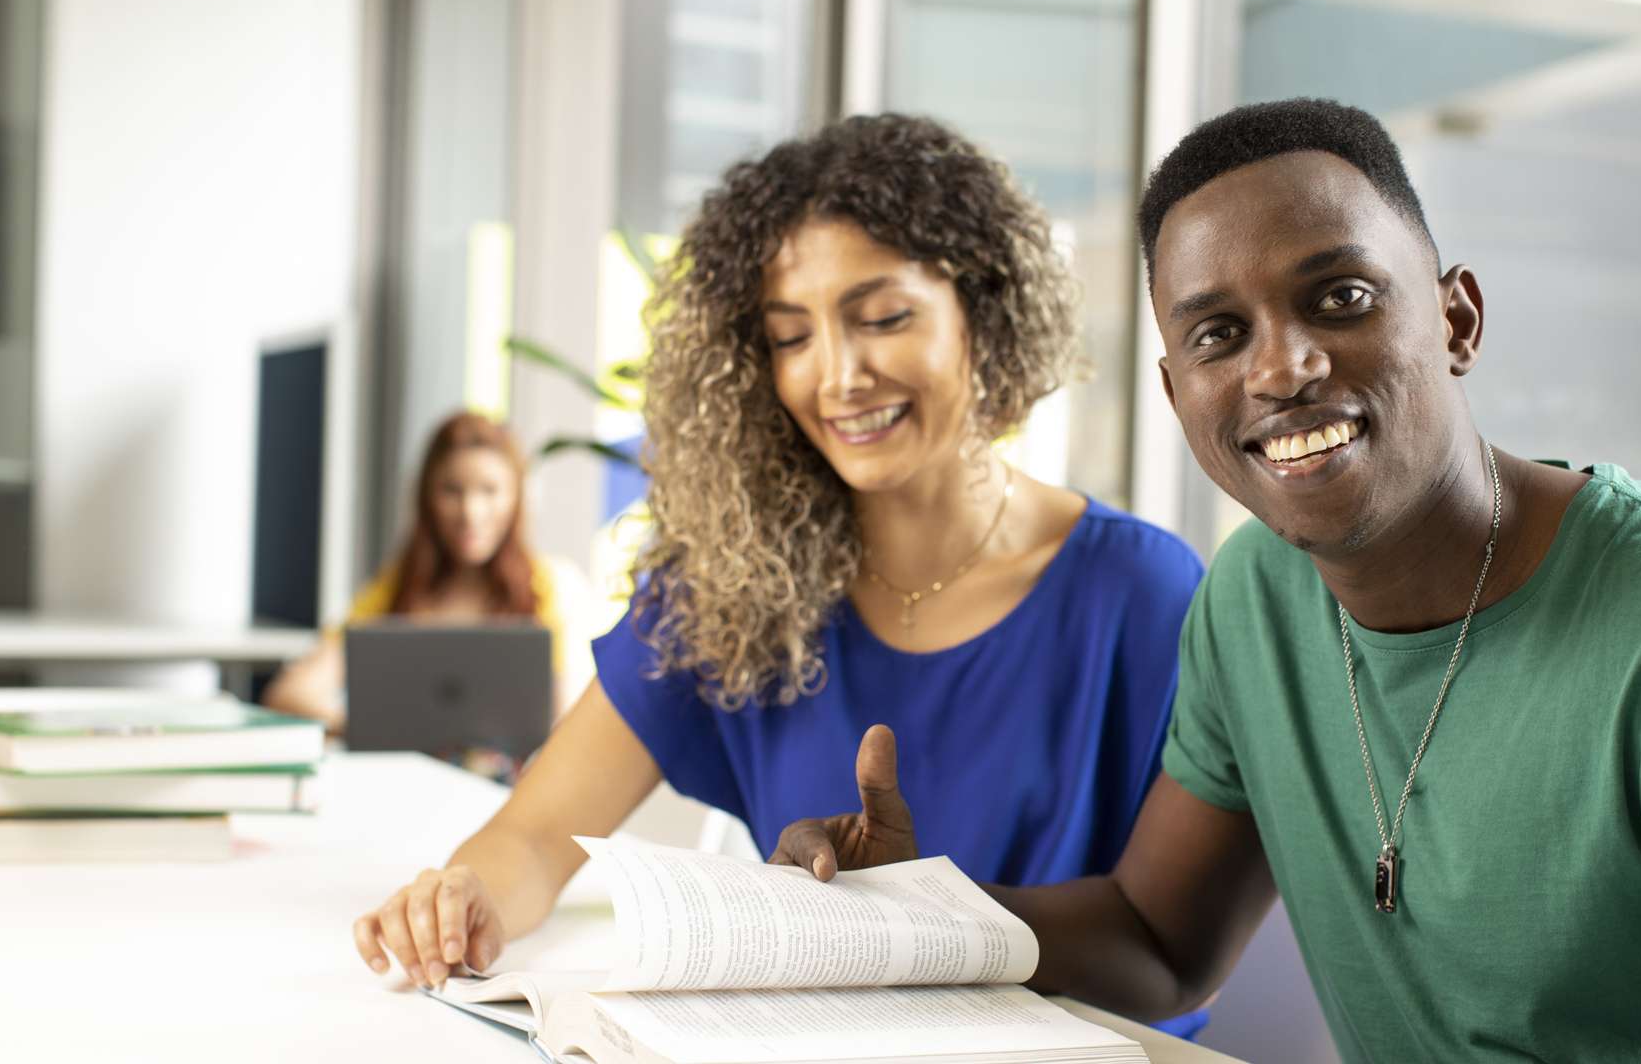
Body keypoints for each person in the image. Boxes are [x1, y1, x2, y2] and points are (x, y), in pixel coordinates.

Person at [770, 99, 1641, 1061]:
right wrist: (913, 918)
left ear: (1456, 320)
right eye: (1218, 334)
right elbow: (1160, 943)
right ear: (1176, 393)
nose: (1282, 366)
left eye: (1340, 298)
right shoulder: (1254, 596)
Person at [350, 115, 1208, 1035]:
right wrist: (463, 897)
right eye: (791, 337)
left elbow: (1167, 954)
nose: (837, 376)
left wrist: (930, 930)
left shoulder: (1141, 594)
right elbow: (530, 837)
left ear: (982, 311)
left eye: (883, 318)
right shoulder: (729, 586)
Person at [264, 411, 603, 737]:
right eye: (452, 491)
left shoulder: (554, 587)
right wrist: (373, 730)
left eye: (489, 490)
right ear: (428, 496)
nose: (470, 512)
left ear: (516, 497)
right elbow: (292, 693)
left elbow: (569, 722)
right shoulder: (396, 589)